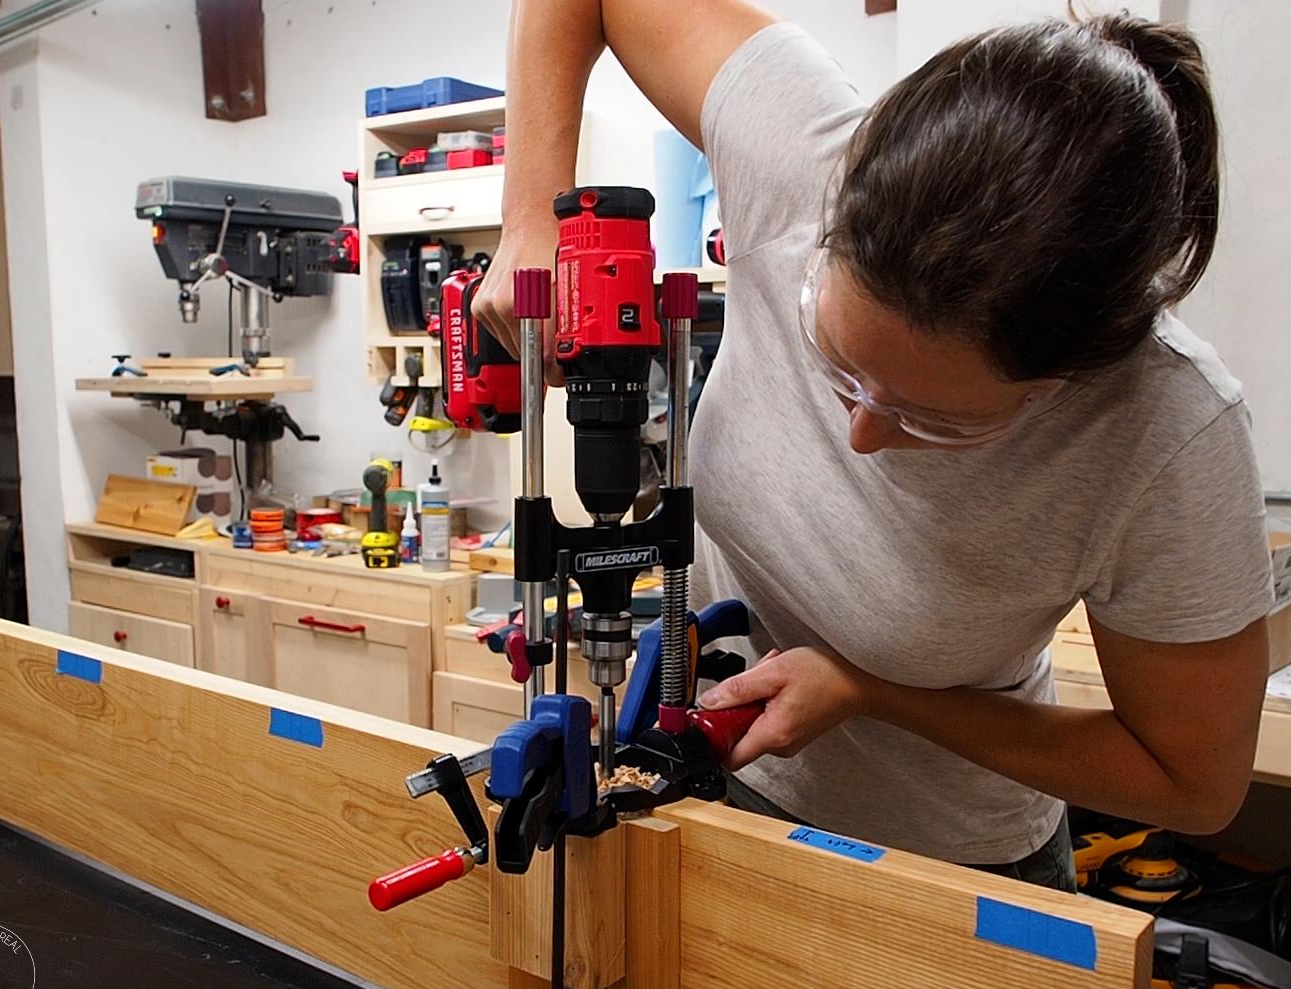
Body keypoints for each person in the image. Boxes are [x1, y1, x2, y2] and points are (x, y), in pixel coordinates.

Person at [473, 0, 1273, 891]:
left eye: (936, 422)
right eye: (839, 365)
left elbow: (1193, 784)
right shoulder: (800, 156)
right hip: (713, 794)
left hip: (949, 859)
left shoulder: (1168, 428)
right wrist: (528, 215)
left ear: (1058, 386)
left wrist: (875, 693)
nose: (860, 435)